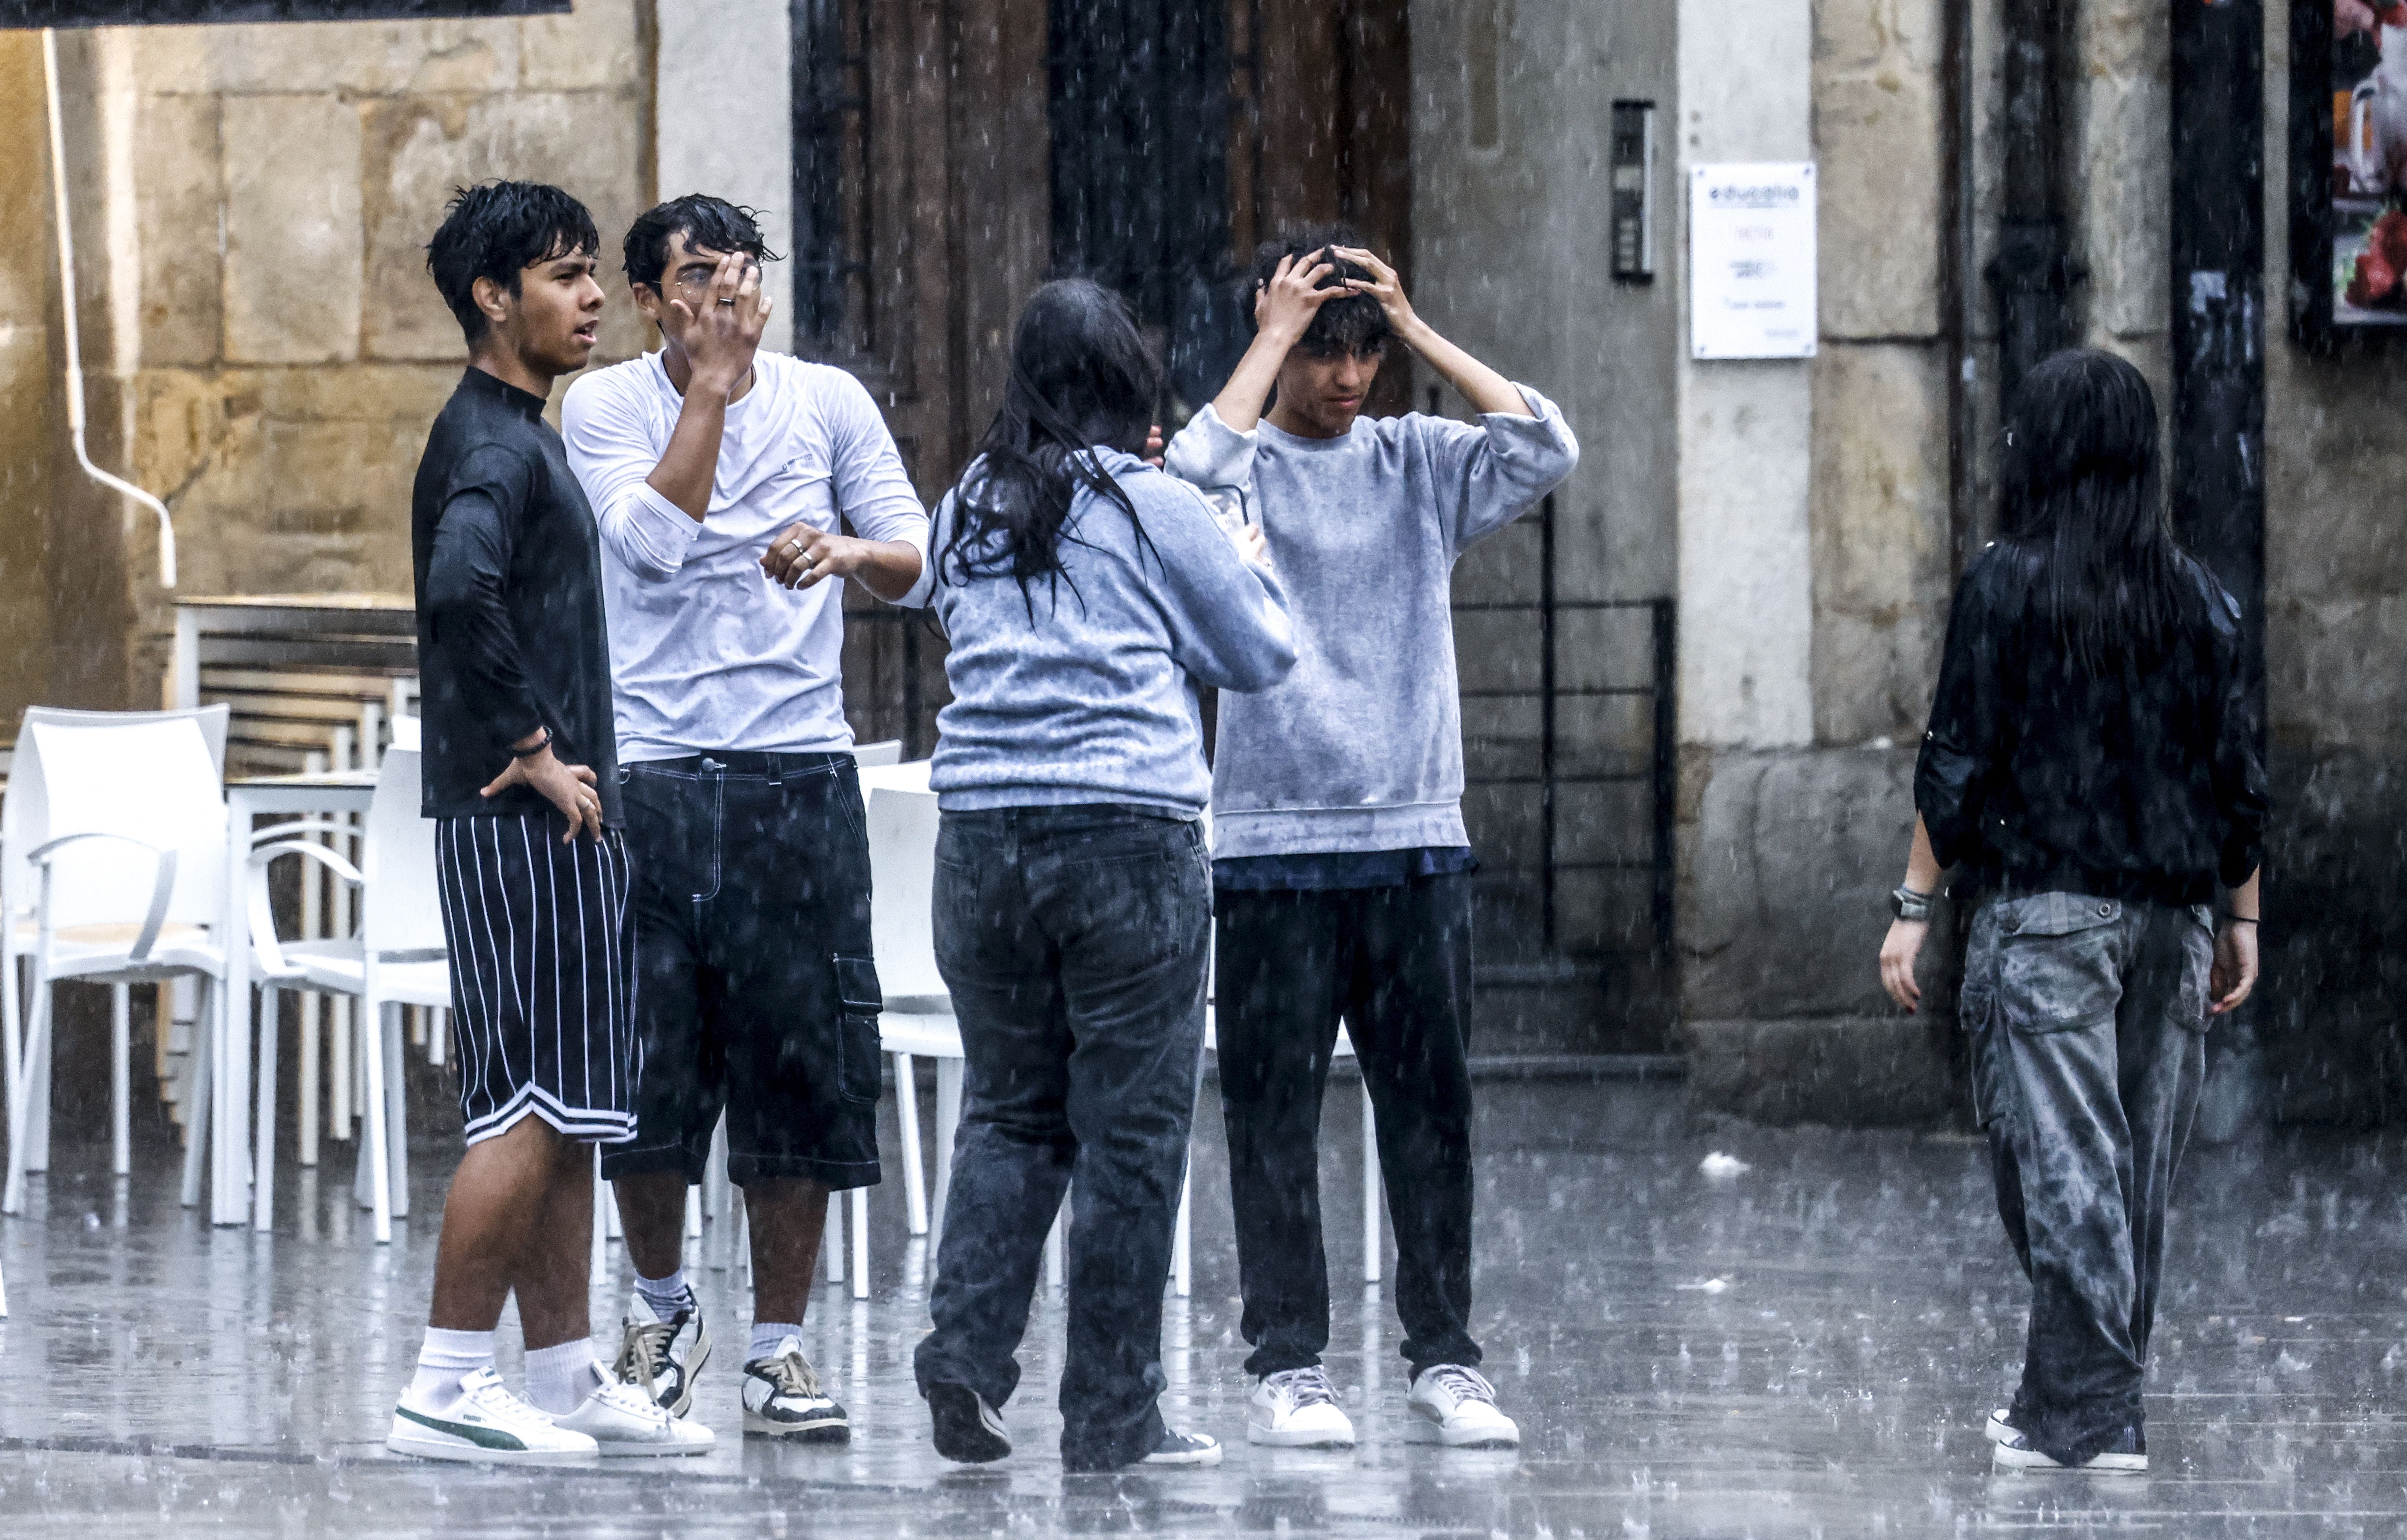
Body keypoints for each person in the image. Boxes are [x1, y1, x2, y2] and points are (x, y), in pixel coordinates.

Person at [1161, 230, 1578, 1450]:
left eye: (1364, 355)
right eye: (1327, 353)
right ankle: (1288, 1363)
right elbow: (1185, 482)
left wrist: (1414, 328)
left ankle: (1446, 1356)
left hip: (1412, 839)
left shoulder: (1414, 460)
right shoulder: (1239, 474)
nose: (1349, 379)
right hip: (1269, 845)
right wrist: (1273, 332)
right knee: (1271, 1114)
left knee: (1429, 1111)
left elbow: (1544, 444)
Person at [905, 278, 1297, 1472]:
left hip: (980, 842)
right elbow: (1260, 652)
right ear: (1128, 380)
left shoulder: (967, 501)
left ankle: (966, 1355)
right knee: (1128, 1136)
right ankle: (1113, 1411)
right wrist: (1239, 546)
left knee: (1011, 1112)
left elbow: (961, 621)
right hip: (1126, 839)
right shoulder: (1154, 500)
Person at [559, 194, 930, 1441]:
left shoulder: (826, 399)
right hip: (653, 773)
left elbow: (917, 552)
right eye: (696, 272)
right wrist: (708, 393)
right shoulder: (605, 405)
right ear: (655, 298)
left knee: (799, 1064)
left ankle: (780, 1346)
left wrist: (840, 551)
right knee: (648, 1066)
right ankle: (660, 1310)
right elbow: (650, 549)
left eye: (742, 267)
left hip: (793, 775)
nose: (726, 289)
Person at [1878, 348, 2268, 1474]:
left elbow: (1955, 761)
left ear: (2039, 452)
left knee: (2059, 1172)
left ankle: (2093, 1413)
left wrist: (1913, 906)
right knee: (2125, 1175)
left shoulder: (2004, 584)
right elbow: (2235, 779)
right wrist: (2239, 918)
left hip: (2046, 914)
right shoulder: (2201, 600)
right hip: (2168, 918)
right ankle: (2077, 1400)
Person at [391, 180, 709, 1463]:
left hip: (555, 823)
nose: (590, 299)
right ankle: (446, 1384)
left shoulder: (521, 432)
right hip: (524, 822)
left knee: (570, 1101)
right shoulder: (489, 444)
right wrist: (534, 751)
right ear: (493, 296)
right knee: (524, 1100)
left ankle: (566, 1377)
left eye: (591, 275)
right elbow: (459, 592)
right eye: (566, 276)